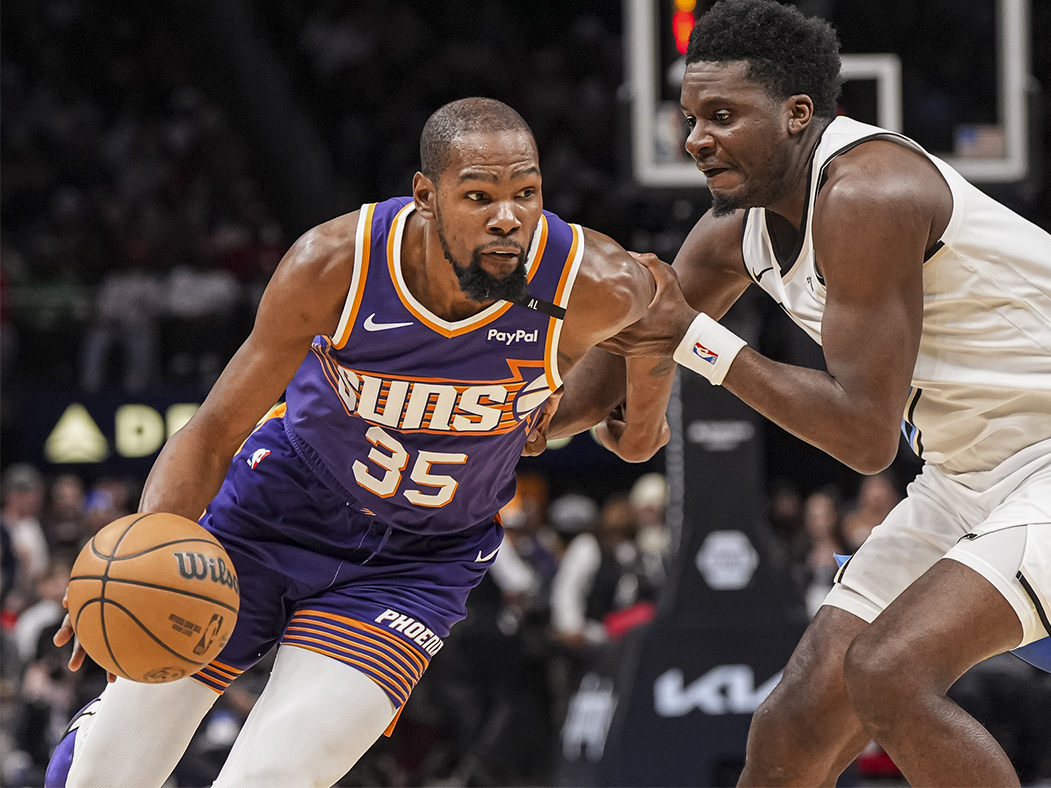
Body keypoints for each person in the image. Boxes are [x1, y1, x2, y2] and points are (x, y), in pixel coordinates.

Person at [584, 0, 1051, 786]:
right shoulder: (728, 232)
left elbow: (864, 438)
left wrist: (698, 343)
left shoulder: (868, 192)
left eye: (724, 115)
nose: (697, 138)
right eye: (692, 116)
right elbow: (615, 359)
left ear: (797, 114)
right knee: (791, 727)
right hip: (965, 476)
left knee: (889, 673)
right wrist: (512, 415)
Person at [46, 97, 670, 788]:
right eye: (479, 196)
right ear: (426, 197)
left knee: (271, 776)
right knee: (107, 769)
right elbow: (214, 430)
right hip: (270, 516)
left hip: (417, 563)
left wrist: (624, 422)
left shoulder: (590, 281)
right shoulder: (335, 263)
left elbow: (661, 309)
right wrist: (135, 549)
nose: (508, 216)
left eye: (527, 193)